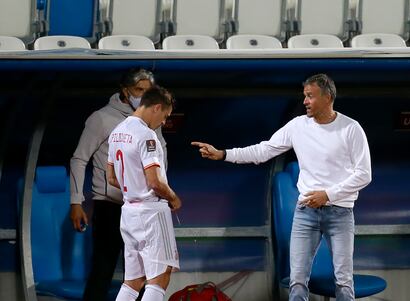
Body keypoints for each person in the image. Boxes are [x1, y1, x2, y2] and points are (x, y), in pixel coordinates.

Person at [191, 74, 371, 301]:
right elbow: (263, 150)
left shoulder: (350, 128)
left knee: (344, 282)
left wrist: (327, 194)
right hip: (306, 212)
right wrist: (224, 154)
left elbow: (364, 174)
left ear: (327, 97)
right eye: (304, 96)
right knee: (297, 281)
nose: (305, 101)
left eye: (310, 96)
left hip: (340, 213)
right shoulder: (297, 126)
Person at [70, 68, 167, 301]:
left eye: (148, 91)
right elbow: (79, 158)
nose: (143, 96)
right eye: (138, 90)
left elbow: (160, 157)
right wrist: (76, 201)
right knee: (103, 271)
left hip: (143, 208)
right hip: (110, 207)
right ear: (125, 91)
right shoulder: (102, 118)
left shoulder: (152, 120)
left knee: (144, 273)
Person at [107, 85, 181, 301]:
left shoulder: (116, 132)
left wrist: (134, 187)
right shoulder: (147, 136)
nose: (164, 122)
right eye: (165, 116)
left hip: (128, 212)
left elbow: (111, 178)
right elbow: (155, 182)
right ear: (157, 107)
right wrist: (174, 198)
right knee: (160, 277)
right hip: (151, 212)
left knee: (133, 281)